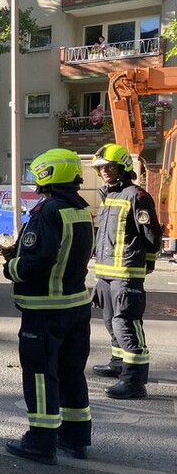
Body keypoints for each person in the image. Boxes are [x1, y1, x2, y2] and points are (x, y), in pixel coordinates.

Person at [2, 149, 95, 464]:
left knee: (41, 375)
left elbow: (36, 262)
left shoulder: (46, 212)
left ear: (47, 175)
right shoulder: (81, 209)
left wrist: (10, 266)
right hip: (76, 307)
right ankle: (75, 438)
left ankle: (41, 441)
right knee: (71, 372)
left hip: (45, 310)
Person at [90, 143, 162, 400]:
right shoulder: (109, 195)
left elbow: (152, 235)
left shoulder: (137, 196)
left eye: (109, 167)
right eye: (101, 168)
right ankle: (118, 363)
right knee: (111, 321)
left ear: (123, 167)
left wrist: (147, 264)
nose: (105, 172)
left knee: (126, 323)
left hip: (126, 273)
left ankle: (134, 381)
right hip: (107, 274)